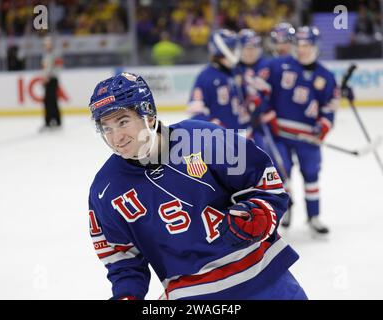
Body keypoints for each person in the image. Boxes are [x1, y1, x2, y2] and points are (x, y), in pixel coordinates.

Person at [87, 72, 307, 300]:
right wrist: (127, 294)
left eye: (123, 122)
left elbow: (264, 183)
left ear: (149, 116)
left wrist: (261, 213)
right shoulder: (105, 190)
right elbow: (121, 256)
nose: (116, 137)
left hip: (264, 279)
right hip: (193, 296)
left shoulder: (205, 138)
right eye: (107, 128)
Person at [260, 26, 340, 233]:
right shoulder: (278, 66)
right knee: (282, 171)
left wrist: (323, 126)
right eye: (299, 45)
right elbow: (260, 92)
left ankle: (314, 216)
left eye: (307, 45)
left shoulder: (326, 76)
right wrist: (267, 114)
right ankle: (286, 210)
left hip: (307, 137)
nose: (302, 49)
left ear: (316, 46)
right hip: (280, 135)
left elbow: (329, 107)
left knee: (311, 174)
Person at [188, 29, 251, 134]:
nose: (235, 52)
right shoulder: (206, 76)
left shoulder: (237, 71)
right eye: (232, 48)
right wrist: (212, 125)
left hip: (242, 134)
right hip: (221, 140)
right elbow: (195, 111)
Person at [40, 36, 63, 131]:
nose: (46, 46)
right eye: (45, 44)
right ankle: (51, 121)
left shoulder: (55, 54)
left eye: (47, 44)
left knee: (51, 100)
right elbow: (45, 68)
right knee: (48, 100)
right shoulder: (46, 55)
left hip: (52, 79)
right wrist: (44, 77)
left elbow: (58, 66)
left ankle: (55, 121)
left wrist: (49, 76)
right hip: (47, 80)